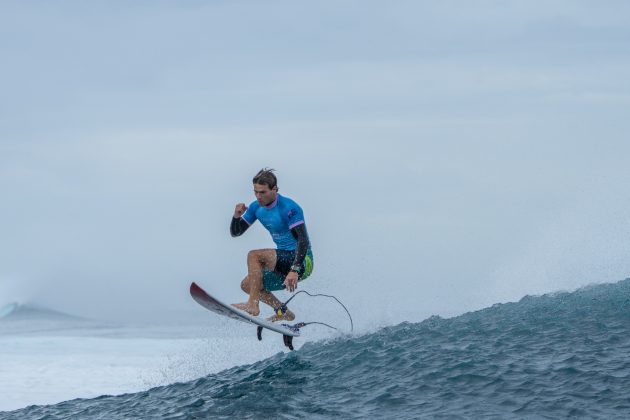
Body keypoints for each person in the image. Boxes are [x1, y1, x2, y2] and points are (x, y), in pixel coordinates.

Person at [230, 168, 313, 321]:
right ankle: (283, 312)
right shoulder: (256, 208)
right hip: (282, 261)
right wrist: (236, 216)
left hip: (302, 261)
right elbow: (236, 233)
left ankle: (252, 305)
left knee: (254, 255)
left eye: (262, 192)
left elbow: (303, 240)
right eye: (255, 192)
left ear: (274, 189)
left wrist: (294, 270)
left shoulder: (289, 208)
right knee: (248, 285)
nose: (258, 196)